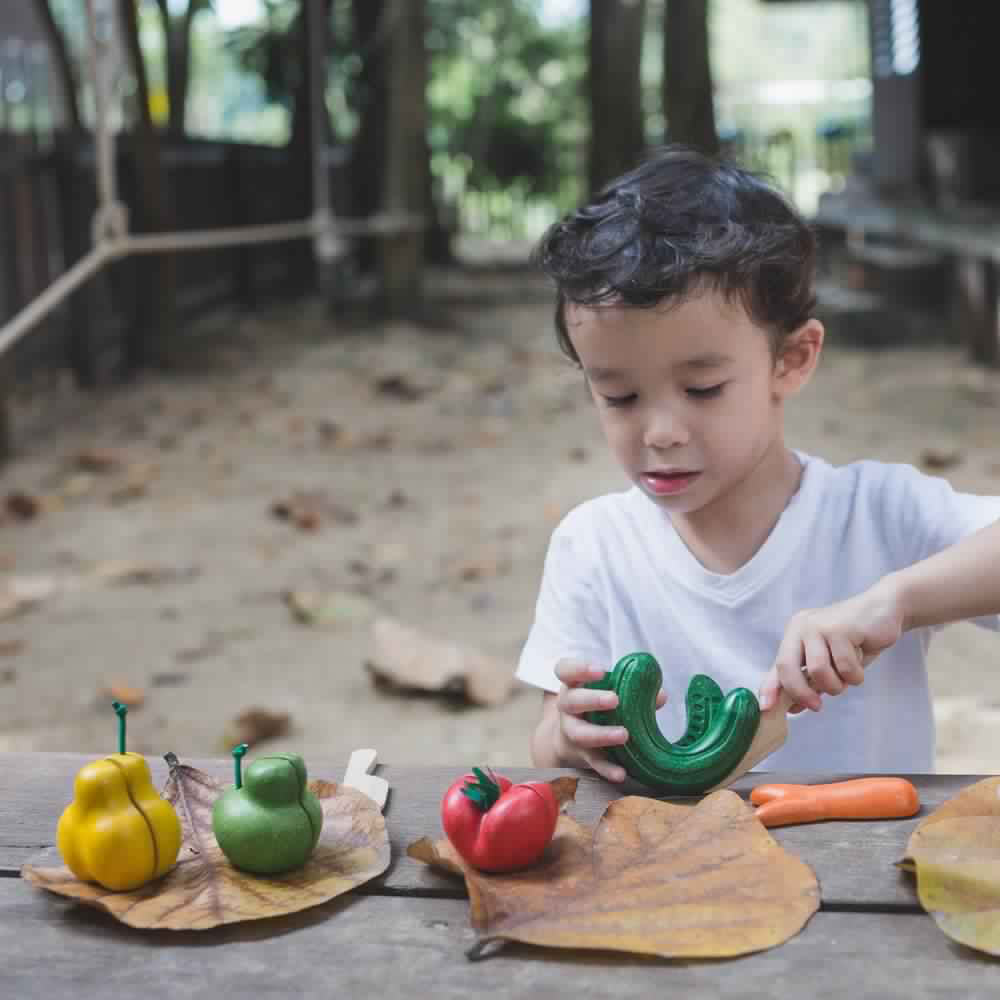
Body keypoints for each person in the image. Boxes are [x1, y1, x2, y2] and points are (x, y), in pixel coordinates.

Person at [517, 145, 1000, 782]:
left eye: (703, 389)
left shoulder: (880, 516)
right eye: (619, 396)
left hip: (862, 874)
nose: (660, 433)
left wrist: (898, 599)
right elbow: (553, 751)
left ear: (792, 360)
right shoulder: (593, 548)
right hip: (667, 876)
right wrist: (565, 739)